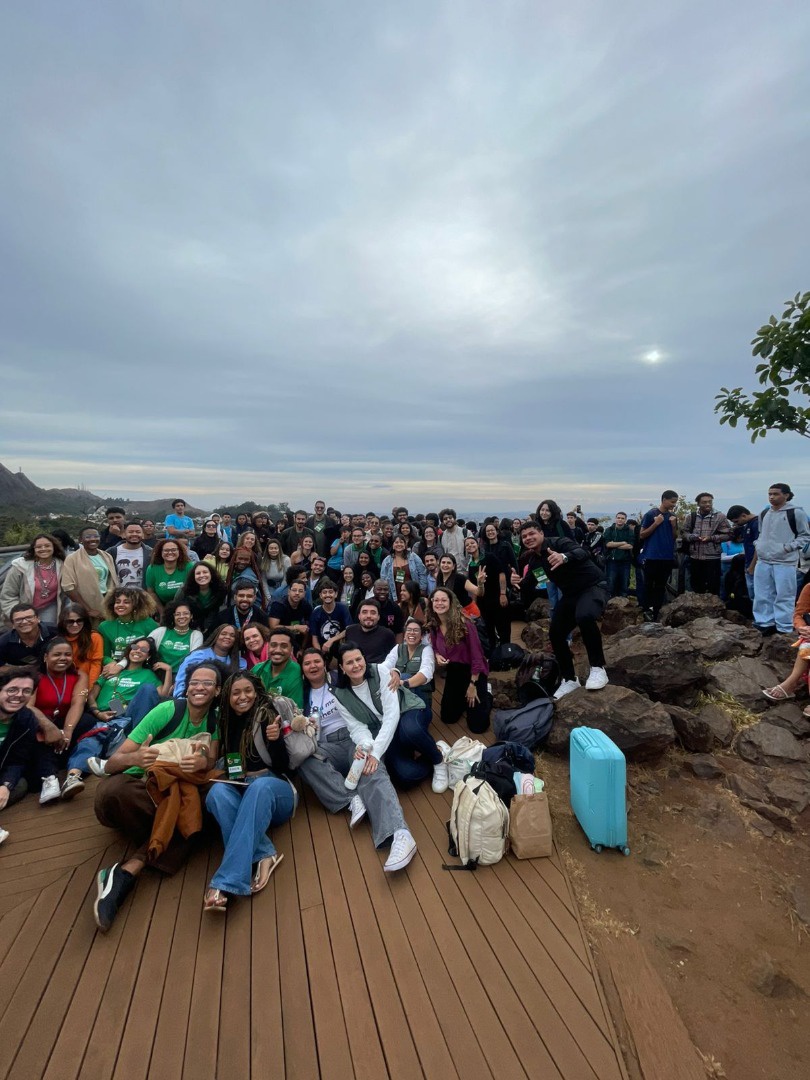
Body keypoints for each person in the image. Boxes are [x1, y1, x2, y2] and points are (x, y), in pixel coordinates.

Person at [92, 662, 222, 931]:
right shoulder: (168, 710)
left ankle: (128, 870)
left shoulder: (215, 720)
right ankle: (167, 835)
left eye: (207, 683)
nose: (200, 687)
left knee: (210, 798)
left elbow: (209, 761)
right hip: (142, 786)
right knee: (115, 792)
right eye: (195, 681)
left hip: (178, 790)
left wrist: (202, 765)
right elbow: (114, 762)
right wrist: (136, 757)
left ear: (218, 690)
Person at [296, 650, 419, 871]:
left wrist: (395, 671)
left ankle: (400, 833)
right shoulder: (302, 693)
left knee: (371, 770)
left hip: (355, 737)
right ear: (302, 670)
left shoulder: (342, 679)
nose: (313, 666)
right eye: (307, 663)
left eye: (317, 661)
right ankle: (350, 799)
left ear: (328, 665)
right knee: (305, 761)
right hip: (326, 744)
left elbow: (371, 676)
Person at [203, 673, 296, 911]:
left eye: (248, 691)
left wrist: (275, 741)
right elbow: (234, 767)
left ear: (256, 692)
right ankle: (265, 853)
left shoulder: (266, 714)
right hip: (244, 788)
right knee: (216, 794)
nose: (243, 697)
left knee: (260, 786)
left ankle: (227, 881)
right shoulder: (226, 720)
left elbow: (285, 766)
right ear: (228, 696)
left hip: (276, 790)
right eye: (236, 692)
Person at [330, 645, 420, 866]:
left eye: (358, 659)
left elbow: (391, 715)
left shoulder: (379, 672)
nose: (356, 665)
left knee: (405, 776)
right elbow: (356, 726)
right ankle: (401, 834)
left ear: (364, 658)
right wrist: (365, 745)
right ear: (341, 667)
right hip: (373, 733)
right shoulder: (340, 695)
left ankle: (435, 755)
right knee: (371, 768)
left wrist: (376, 753)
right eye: (349, 662)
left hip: (397, 721)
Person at [512, 520, 609, 699]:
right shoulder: (535, 561)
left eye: (531, 533)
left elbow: (583, 552)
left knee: (585, 616)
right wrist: (517, 583)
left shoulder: (559, 543)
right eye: (524, 536)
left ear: (541, 533)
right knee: (556, 632)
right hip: (571, 594)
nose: (528, 538)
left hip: (593, 586)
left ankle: (598, 668)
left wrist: (564, 557)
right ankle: (570, 679)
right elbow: (531, 585)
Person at [426, 587, 490, 733]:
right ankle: (463, 697)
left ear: (451, 602)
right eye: (436, 600)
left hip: (474, 672)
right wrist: (437, 655)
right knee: (448, 717)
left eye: (443, 600)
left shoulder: (465, 624)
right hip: (454, 670)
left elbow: (477, 656)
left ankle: (487, 694)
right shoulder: (434, 624)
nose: (439, 603)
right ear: (431, 603)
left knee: (478, 727)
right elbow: (435, 646)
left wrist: (473, 684)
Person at [0, 667, 61, 813]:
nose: (19, 695)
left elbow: (17, 761)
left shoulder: (26, 719)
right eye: (12, 690)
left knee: (20, 785)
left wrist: (5, 785)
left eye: (26, 691)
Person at [752, 484, 810, 636]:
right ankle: (764, 623)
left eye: (776, 494)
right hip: (764, 560)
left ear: (786, 495)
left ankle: (783, 626)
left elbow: (805, 536)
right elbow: (760, 533)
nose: (772, 497)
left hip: (785, 561)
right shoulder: (765, 513)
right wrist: (758, 545)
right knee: (762, 593)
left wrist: (787, 548)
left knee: (785, 594)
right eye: (770, 494)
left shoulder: (796, 512)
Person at [0, 533, 66, 628]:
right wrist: (17, 614)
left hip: (49, 608)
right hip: (22, 610)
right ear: (34, 549)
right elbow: (8, 595)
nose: (43, 549)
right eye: (39, 547)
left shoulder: (62, 565)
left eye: (47, 546)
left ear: (54, 547)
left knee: (47, 634)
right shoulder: (20, 567)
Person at [61, 525, 119, 621]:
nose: (93, 539)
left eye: (96, 536)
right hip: (85, 604)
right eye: (88, 537)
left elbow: (112, 581)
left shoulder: (106, 556)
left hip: (107, 602)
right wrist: (88, 610)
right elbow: (68, 588)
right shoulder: (72, 558)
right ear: (80, 540)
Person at [679, 493, 731, 596]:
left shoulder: (720, 517)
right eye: (704, 502)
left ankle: (714, 608)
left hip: (712, 557)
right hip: (695, 557)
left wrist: (711, 538)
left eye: (710, 502)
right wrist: (692, 537)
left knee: (713, 586)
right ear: (698, 503)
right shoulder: (691, 517)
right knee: (696, 586)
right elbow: (684, 533)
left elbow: (729, 535)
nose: (708, 504)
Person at [174, 623, 246, 697]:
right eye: (223, 634)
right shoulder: (198, 655)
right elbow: (182, 679)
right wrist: (181, 698)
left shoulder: (241, 663)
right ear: (215, 636)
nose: (228, 637)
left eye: (232, 635)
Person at [639, 490, 679, 621]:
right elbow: (642, 534)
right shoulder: (651, 514)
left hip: (666, 557)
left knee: (661, 586)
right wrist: (656, 523)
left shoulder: (672, 516)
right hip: (652, 556)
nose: (674, 504)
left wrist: (673, 526)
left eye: (675, 502)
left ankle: (657, 612)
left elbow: (674, 537)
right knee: (648, 585)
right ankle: (646, 610)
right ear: (664, 500)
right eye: (672, 502)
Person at [465, 536, 511, 647]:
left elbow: (501, 574)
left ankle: (506, 651)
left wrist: (503, 593)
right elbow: (474, 586)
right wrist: (474, 603)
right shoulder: (471, 565)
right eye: (467, 545)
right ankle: (493, 654)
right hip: (483, 601)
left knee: (503, 626)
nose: (470, 546)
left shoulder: (489, 557)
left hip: (497, 596)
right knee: (488, 628)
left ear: (478, 544)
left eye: (472, 543)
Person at [98, 587, 159, 665]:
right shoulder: (105, 626)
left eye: (126, 602)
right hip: (115, 666)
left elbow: (153, 652)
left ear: (135, 606)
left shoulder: (148, 623)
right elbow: (104, 655)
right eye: (117, 602)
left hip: (141, 666)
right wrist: (112, 664)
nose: (120, 605)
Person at [252, 628, 304, 707]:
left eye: (284, 646)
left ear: (292, 649)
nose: (278, 650)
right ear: (268, 647)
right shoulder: (257, 669)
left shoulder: (296, 671)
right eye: (273, 645)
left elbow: (295, 710)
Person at [149, 599, 204, 673]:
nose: (182, 617)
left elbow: (194, 659)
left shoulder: (196, 635)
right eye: (177, 614)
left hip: (183, 675)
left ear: (191, 616)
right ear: (173, 616)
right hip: (158, 673)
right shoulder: (160, 631)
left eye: (186, 613)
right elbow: (145, 646)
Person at [58, 602, 104, 686]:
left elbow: (96, 665)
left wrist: (88, 689)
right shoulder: (57, 641)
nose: (75, 625)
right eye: (70, 621)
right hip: (64, 684)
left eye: (79, 621)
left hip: (87, 683)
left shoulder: (94, 637)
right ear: (63, 622)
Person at [145, 539, 192, 617]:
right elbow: (151, 592)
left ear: (179, 551)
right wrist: (162, 612)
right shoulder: (152, 568)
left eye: (173, 550)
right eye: (166, 550)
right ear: (161, 552)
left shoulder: (189, 566)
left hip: (187, 609)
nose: (170, 552)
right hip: (162, 608)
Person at [309, 580, 352, 660]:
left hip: (341, 647)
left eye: (330, 592)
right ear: (320, 595)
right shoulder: (316, 612)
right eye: (324, 592)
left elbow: (348, 629)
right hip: (323, 649)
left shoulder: (343, 608)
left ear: (336, 594)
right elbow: (314, 638)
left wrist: (331, 640)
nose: (327, 595)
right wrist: (320, 655)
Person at [179, 560, 227, 632]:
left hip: (212, 624)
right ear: (193, 576)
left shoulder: (220, 589)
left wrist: (207, 627)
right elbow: (176, 608)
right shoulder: (184, 590)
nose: (202, 575)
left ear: (211, 574)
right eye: (198, 573)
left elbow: (216, 609)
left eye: (205, 572)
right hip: (189, 624)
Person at [345, 599, 396, 663]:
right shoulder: (350, 631)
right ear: (359, 616)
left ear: (378, 617)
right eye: (364, 612)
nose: (368, 616)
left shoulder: (388, 634)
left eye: (373, 613)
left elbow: (393, 659)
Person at [726, 505, 760, 600]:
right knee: (751, 594)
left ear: (744, 515)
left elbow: (759, 547)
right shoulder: (747, 525)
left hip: (755, 564)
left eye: (737, 521)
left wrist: (752, 566)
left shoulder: (756, 524)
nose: (736, 524)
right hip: (748, 562)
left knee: (756, 594)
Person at [380, 535, 428, 600]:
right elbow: (383, 578)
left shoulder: (413, 556)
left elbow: (422, 572)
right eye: (396, 542)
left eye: (401, 542)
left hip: (413, 593)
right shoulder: (387, 561)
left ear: (405, 545)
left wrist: (422, 588)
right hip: (395, 594)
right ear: (393, 545)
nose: (399, 544)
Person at [110, 521, 152, 589]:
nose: (134, 534)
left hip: (143, 596)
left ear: (143, 535)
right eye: (131, 532)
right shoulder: (112, 552)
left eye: (138, 532)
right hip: (120, 597)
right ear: (124, 534)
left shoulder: (151, 553)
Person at [602, 512, 635, 598]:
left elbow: (630, 546)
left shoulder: (629, 531)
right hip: (612, 561)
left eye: (622, 518)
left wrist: (615, 545)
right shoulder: (609, 530)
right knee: (611, 583)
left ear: (625, 520)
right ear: (615, 519)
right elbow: (608, 544)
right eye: (618, 518)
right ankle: (609, 603)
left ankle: (623, 604)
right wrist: (623, 543)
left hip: (625, 561)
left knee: (624, 584)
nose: (620, 520)